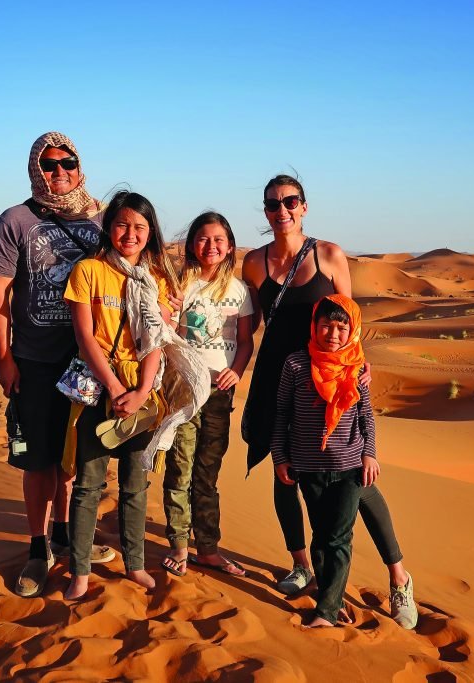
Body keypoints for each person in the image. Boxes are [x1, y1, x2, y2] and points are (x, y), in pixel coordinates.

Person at [242, 175, 418, 629]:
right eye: (272, 204)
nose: (281, 210)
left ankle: (399, 576)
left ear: (304, 206)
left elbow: (349, 322)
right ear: (264, 212)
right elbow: (247, 323)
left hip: (331, 383)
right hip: (280, 379)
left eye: (290, 201)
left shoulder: (329, 255)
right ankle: (303, 565)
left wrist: (360, 367)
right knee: (284, 472)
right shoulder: (254, 263)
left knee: (357, 479)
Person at [0, 131, 115, 599]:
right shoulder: (16, 220)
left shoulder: (102, 218)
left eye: (68, 162)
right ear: (36, 169)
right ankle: (38, 549)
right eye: (49, 164)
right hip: (35, 361)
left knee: (74, 459)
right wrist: (3, 356)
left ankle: (66, 536)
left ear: (81, 167)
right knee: (38, 462)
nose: (59, 172)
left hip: (89, 362)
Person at [62, 190, 183, 600]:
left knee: (135, 485)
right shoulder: (88, 271)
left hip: (143, 389)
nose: (130, 234)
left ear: (150, 233)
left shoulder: (159, 279)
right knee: (88, 484)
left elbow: (157, 341)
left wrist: (141, 390)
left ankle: (134, 564)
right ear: (109, 227)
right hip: (98, 386)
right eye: (122, 224)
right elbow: (84, 336)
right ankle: (79, 571)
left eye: (139, 227)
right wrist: (115, 388)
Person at [273, 294, 387, 627]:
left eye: (341, 327)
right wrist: (280, 456)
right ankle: (330, 596)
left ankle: (325, 611)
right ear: (314, 326)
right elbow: (282, 414)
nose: (333, 334)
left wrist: (369, 454)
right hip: (307, 467)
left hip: (350, 467)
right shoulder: (296, 364)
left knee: (338, 537)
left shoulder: (357, 369)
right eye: (326, 325)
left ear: (352, 330)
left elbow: (366, 416)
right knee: (321, 536)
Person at [161, 212, 254, 578]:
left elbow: (244, 341)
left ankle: (209, 548)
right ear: (192, 245)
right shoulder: (180, 284)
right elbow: (166, 332)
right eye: (203, 238)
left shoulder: (239, 290)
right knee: (180, 467)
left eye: (218, 240)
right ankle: (180, 546)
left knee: (207, 472)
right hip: (185, 389)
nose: (211, 246)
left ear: (229, 246)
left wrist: (238, 370)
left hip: (219, 393)